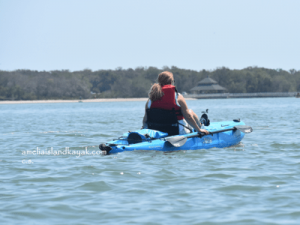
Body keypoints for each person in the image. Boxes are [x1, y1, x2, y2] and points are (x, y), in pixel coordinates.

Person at [142, 71, 209, 135]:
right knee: (190, 111)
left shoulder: (150, 99)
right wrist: (199, 130)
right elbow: (188, 116)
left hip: (157, 130)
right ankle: (201, 126)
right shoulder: (178, 96)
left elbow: (145, 119)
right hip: (177, 131)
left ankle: (201, 124)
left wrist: (144, 130)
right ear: (171, 82)